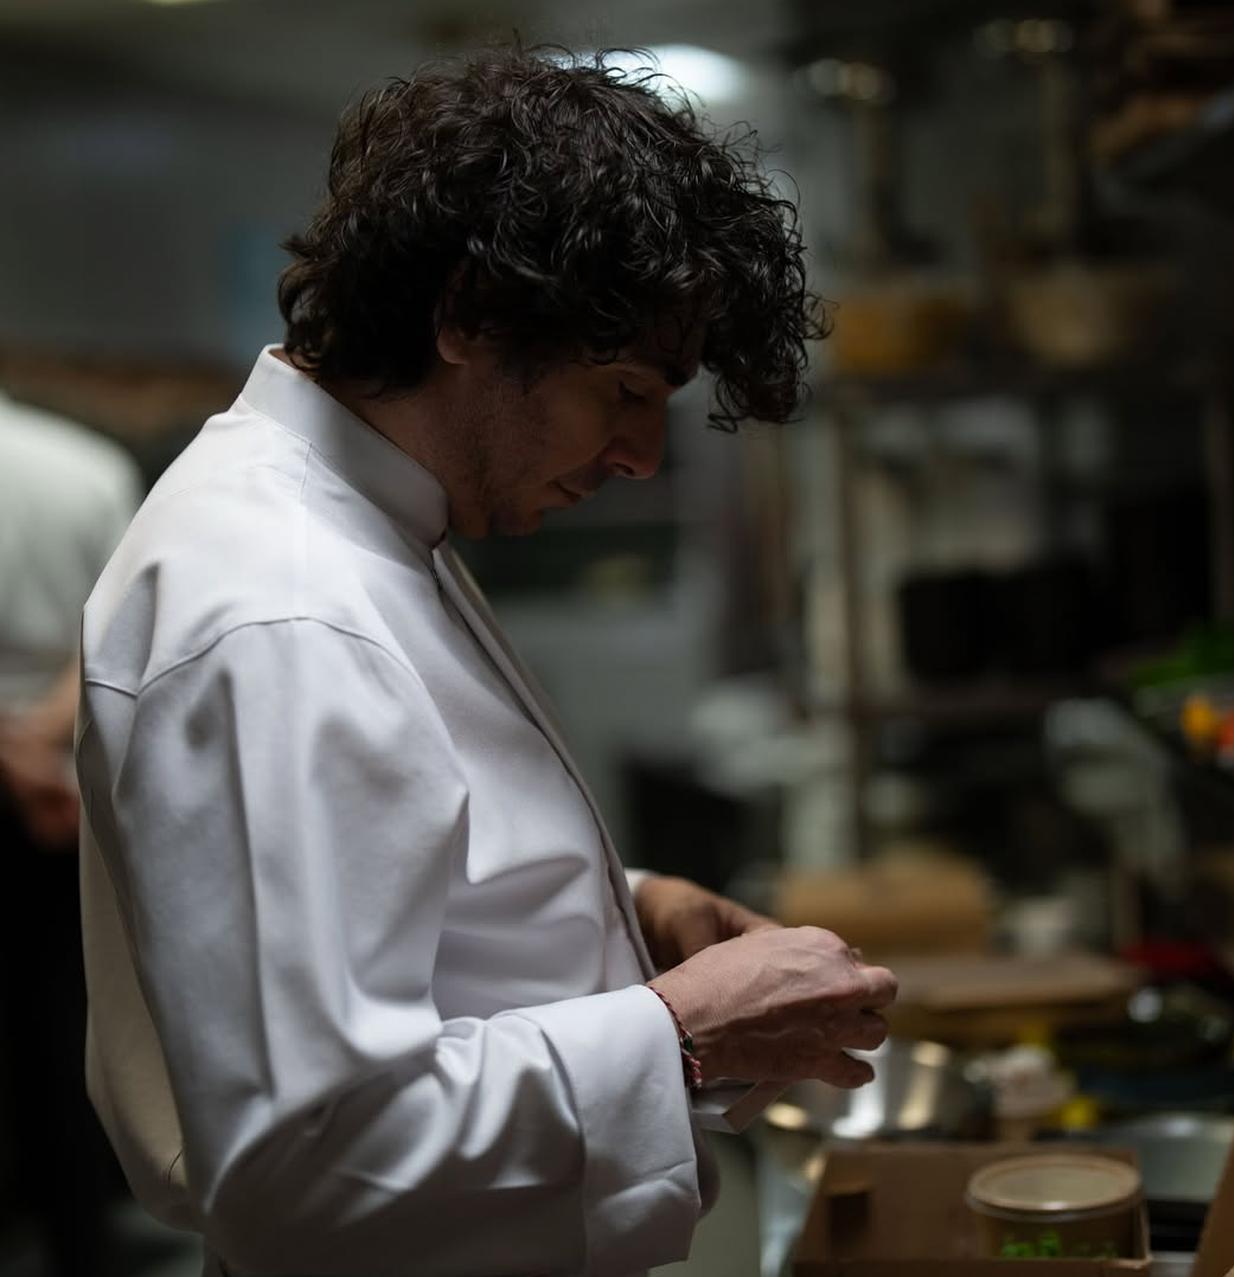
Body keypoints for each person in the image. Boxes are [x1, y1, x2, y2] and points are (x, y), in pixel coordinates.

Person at [76, 48, 897, 1276]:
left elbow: (372, 880)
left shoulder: (364, 520)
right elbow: (311, 1158)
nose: (634, 453)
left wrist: (616, 911)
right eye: (618, 388)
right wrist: (683, 1032)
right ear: (467, 315)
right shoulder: (283, 608)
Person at [0, 386, 141, 1277]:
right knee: (64, 1028)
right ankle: (81, 1245)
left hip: (28, 778)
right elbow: (122, 624)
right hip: (66, 791)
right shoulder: (88, 467)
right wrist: (45, 744)